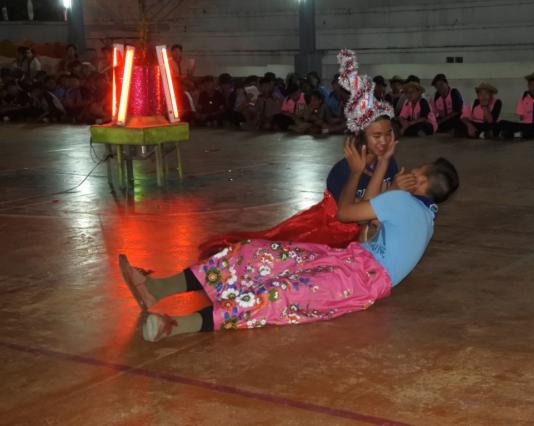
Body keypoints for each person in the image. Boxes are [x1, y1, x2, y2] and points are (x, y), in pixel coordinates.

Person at [120, 138, 459, 341]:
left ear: (420, 181)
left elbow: (346, 214)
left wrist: (358, 171)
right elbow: (370, 219)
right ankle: (158, 288)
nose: (409, 170)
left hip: (359, 279)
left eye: (416, 170)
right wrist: (386, 170)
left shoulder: (402, 202)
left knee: (280, 294)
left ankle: (177, 325)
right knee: (257, 254)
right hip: (352, 259)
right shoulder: (426, 217)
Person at [197, 49, 406, 259]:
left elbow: (381, 203)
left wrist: (395, 187)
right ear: (362, 136)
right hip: (330, 229)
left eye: (388, 134)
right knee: (278, 248)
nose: (384, 141)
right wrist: (360, 177)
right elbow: (352, 215)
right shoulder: (343, 170)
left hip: (364, 234)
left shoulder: (389, 162)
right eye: (376, 135)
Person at [498, 72, 534, 139]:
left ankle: (515, 134)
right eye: (532, 85)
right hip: (526, 125)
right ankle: (521, 134)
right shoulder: (524, 97)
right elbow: (521, 118)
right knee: (502, 123)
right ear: (528, 86)